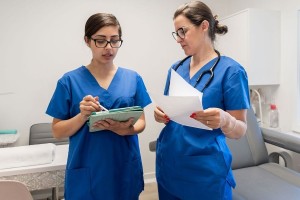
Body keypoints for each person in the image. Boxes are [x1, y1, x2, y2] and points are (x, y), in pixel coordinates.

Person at [46, 13, 151, 200]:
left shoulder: (132, 78)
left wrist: (124, 130)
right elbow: (57, 131)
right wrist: (82, 116)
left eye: (114, 40)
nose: (109, 48)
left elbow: (141, 122)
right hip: (88, 170)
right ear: (87, 41)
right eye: (101, 41)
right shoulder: (69, 81)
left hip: (124, 166)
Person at [154, 1, 250, 200]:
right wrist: (160, 114)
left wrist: (226, 120)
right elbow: (168, 111)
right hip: (170, 163)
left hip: (206, 172)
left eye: (183, 31)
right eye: (176, 34)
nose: (178, 39)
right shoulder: (176, 68)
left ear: (204, 26)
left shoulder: (231, 71)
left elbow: (240, 129)